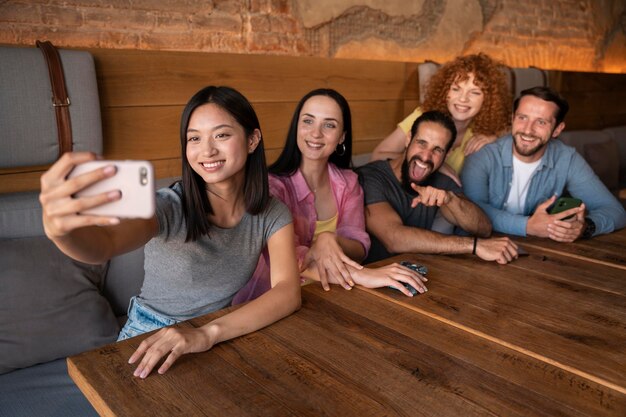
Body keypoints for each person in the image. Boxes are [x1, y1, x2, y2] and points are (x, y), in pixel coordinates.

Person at [39, 86, 301, 378]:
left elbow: (288, 291)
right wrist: (60, 231)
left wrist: (207, 333)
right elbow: (104, 243)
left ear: (252, 140)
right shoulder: (169, 206)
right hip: (148, 337)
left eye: (221, 135)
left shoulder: (271, 213)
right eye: (194, 138)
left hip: (215, 335)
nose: (207, 150)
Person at [233, 88, 427, 304]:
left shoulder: (349, 181)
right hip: (270, 300)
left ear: (342, 136)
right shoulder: (271, 187)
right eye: (308, 121)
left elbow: (359, 247)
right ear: (296, 126)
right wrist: (361, 274)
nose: (316, 133)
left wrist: (330, 239)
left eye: (329, 125)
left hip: (333, 296)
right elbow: (289, 260)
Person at [461, 86, 626, 241]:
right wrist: (527, 226)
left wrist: (584, 227)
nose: (527, 130)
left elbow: (615, 211)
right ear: (512, 119)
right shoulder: (482, 155)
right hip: (477, 248)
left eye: (541, 122)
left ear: (557, 130)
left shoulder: (567, 159)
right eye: (522, 118)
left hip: (538, 254)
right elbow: (472, 211)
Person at [357, 110, 519, 264]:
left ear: (447, 155)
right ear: (408, 139)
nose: (426, 156)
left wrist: (450, 200)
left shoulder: (443, 182)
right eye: (421, 143)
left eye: (437, 149)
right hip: (369, 281)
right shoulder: (370, 177)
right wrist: (474, 246)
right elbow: (393, 238)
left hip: (421, 276)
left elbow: (483, 228)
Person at [371, 53, 511, 176]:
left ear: (488, 100)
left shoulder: (485, 128)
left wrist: (494, 137)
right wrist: (438, 165)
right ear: (445, 92)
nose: (463, 99)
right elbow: (378, 155)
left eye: (474, 92)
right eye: (456, 89)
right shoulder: (424, 116)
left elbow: (517, 130)